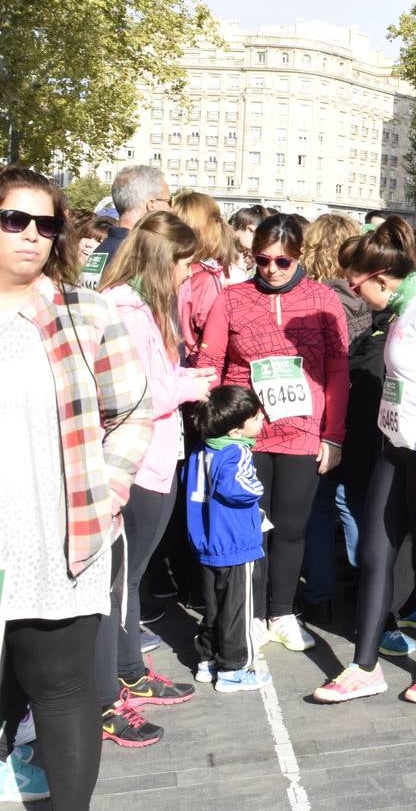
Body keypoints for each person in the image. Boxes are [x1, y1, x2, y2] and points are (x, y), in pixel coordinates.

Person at [0, 167, 152, 808]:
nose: (32, 235)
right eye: (15, 220)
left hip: (58, 538)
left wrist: (108, 489)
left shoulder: (85, 312)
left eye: (47, 223)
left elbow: (132, 411)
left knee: (62, 692)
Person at [313, 219, 416, 704]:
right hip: (394, 448)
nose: (354, 294)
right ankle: (364, 667)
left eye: (356, 285)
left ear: (381, 277)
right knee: (376, 555)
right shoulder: (401, 311)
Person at [195, 213, 349, 652]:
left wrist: (333, 435)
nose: (272, 270)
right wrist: (219, 427)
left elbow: (338, 370)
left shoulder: (322, 299)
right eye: (262, 260)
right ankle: (255, 611)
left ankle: (283, 611)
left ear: (298, 256)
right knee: (252, 527)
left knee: (291, 528)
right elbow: (213, 365)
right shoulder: (232, 298)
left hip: (303, 431)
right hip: (246, 435)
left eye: (283, 262)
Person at [97, 211, 212, 745]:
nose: (190, 275)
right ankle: (106, 690)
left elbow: (154, 379)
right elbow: (133, 396)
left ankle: (127, 670)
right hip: (136, 462)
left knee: (132, 577)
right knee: (119, 582)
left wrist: (183, 379)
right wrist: (188, 387)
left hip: (157, 455)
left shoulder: (144, 307)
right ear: (163, 261)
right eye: (185, 265)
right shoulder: (124, 310)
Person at [297, 213, 365, 625]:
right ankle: (364, 586)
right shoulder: (365, 300)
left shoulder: (312, 298)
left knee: (321, 507)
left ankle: (319, 593)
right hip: (360, 412)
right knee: (352, 502)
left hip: (320, 412)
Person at [185, 386, 272, 692]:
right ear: (236, 431)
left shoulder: (200, 451)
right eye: (256, 417)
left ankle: (207, 661)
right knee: (239, 610)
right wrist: (257, 489)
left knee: (213, 608)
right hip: (236, 545)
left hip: (207, 543)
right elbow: (238, 488)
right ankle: (235, 668)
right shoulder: (236, 452)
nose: (262, 420)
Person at [79, 165, 170, 290]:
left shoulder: (103, 249)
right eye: (168, 201)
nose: (170, 209)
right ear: (151, 205)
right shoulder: (137, 254)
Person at [174, 191, 232, 361]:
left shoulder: (165, 267)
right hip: (194, 368)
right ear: (205, 229)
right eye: (216, 219)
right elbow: (214, 336)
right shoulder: (206, 279)